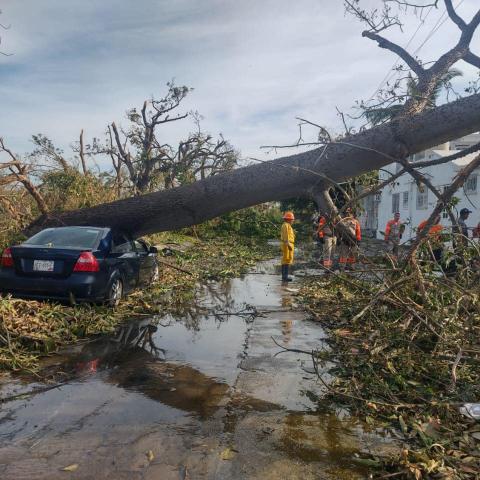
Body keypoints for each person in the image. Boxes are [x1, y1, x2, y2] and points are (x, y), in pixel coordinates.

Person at [280, 211, 295, 282]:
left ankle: (285, 276)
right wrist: (288, 244)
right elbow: (286, 236)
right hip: (287, 244)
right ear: (288, 219)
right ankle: (284, 277)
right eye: (292, 219)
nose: (293, 221)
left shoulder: (288, 225)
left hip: (289, 244)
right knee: (285, 260)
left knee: (287, 260)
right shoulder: (285, 225)